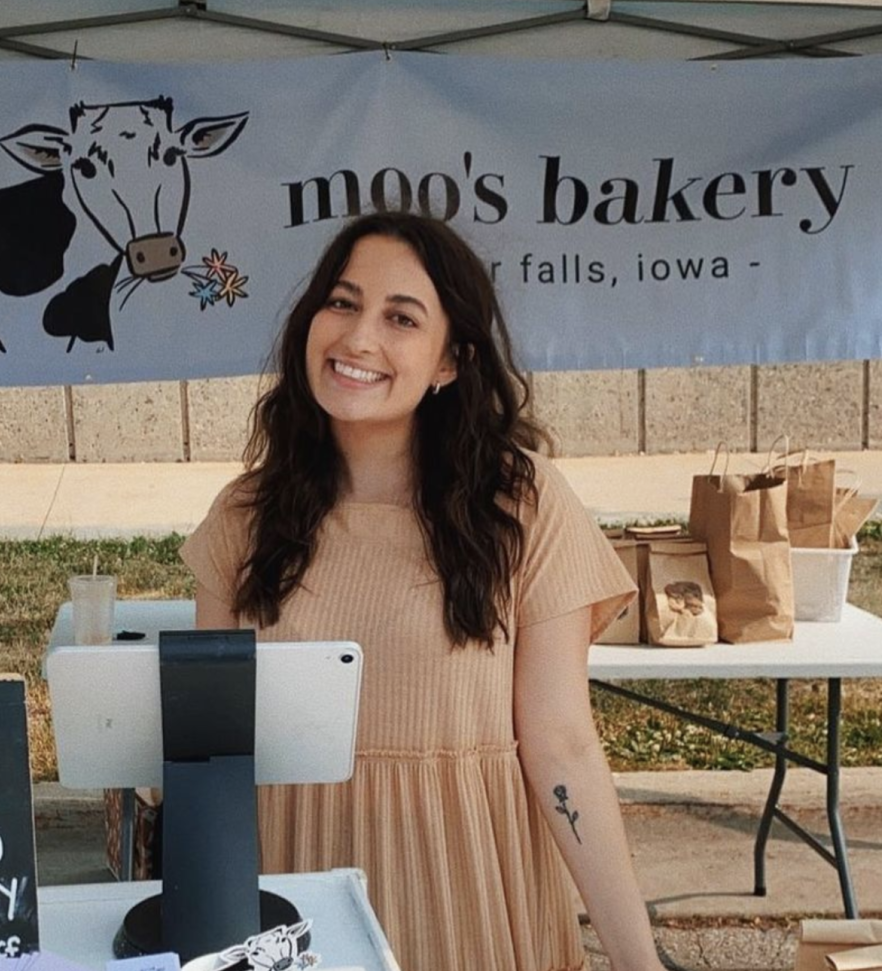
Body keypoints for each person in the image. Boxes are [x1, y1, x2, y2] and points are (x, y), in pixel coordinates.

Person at [180, 211, 664, 971]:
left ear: (450, 361)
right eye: (341, 302)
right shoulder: (243, 519)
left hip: (477, 910)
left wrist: (642, 963)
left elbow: (562, 742)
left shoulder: (524, 506)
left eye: (400, 317)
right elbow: (209, 759)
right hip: (298, 916)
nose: (358, 337)